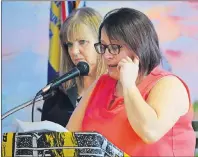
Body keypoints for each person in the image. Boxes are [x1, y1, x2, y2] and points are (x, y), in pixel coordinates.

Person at [66, 8, 196, 156]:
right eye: (103, 47)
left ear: (138, 47)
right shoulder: (101, 83)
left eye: (114, 48)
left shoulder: (169, 84)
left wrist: (128, 84)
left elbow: (150, 132)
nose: (107, 55)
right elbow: (69, 136)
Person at [41, 7, 106, 127]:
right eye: (69, 44)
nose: (74, 51)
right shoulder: (55, 95)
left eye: (82, 42)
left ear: (102, 43)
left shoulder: (116, 92)